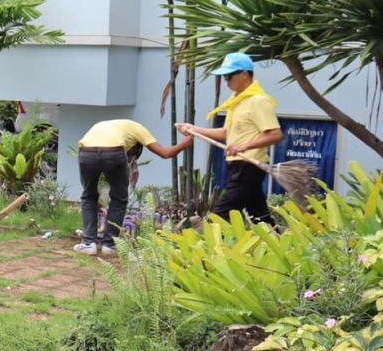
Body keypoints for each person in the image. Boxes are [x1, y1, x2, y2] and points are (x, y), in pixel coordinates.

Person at [178, 51, 282, 225]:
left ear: (244, 74)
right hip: (237, 165)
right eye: (224, 77)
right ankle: (277, 244)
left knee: (221, 213)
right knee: (259, 216)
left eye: (228, 76)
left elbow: (275, 134)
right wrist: (194, 129)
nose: (226, 81)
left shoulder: (258, 101)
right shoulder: (237, 101)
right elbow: (227, 133)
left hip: (249, 165)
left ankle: (207, 247)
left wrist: (243, 147)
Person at [73, 119, 193, 255]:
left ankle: (89, 244)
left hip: (86, 153)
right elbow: (165, 153)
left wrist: (96, 201)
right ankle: (109, 245)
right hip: (114, 152)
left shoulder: (103, 125)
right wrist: (184, 144)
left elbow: (99, 155)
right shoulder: (138, 128)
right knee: (119, 198)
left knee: (89, 196)